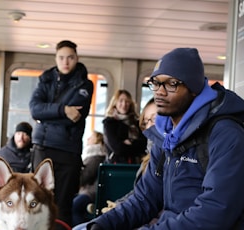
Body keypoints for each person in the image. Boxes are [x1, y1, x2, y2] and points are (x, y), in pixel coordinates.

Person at [84, 48, 244, 229]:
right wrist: (102, 224)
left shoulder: (225, 134)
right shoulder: (166, 136)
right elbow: (144, 199)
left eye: (171, 84)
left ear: (193, 89)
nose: (160, 91)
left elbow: (215, 212)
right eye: (156, 83)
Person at [29, 40, 94, 227]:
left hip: (68, 151)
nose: (66, 62)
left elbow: (75, 116)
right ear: (56, 59)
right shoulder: (45, 80)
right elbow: (35, 109)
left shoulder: (85, 85)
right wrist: (64, 110)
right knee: (39, 201)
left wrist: (47, 115)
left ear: (77, 58)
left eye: (70, 57)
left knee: (63, 205)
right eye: (61, 58)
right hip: (43, 148)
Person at [101, 98, 156, 214]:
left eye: (155, 119)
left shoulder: (165, 159)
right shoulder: (148, 160)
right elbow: (139, 193)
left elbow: (147, 200)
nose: (149, 127)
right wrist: (118, 205)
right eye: (146, 122)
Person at [103, 89, 147, 164]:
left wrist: (130, 142)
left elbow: (143, 144)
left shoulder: (136, 122)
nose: (124, 104)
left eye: (127, 101)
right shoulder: (109, 123)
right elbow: (117, 148)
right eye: (121, 101)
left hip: (137, 163)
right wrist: (134, 145)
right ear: (115, 103)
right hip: (116, 164)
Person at [72, 131, 107, 226]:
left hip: (90, 193)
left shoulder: (96, 157)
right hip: (86, 192)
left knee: (74, 207)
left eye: (91, 137)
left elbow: (84, 178)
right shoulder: (93, 157)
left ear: (98, 140)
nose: (88, 139)